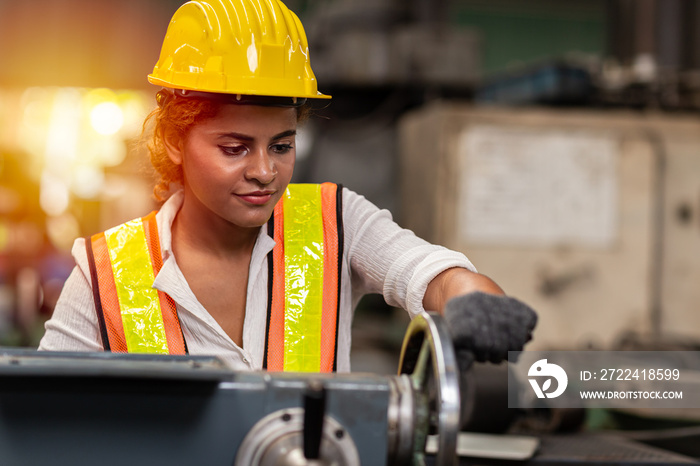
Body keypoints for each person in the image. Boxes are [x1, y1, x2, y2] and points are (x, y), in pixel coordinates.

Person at [38, 0, 536, 372]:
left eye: (281, 145)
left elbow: (432, 274)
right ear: (173, 140)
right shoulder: (104, 275)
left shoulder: (335, 222)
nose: (264, 171)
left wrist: (473, 298)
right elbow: (42, 418)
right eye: (234, 148)